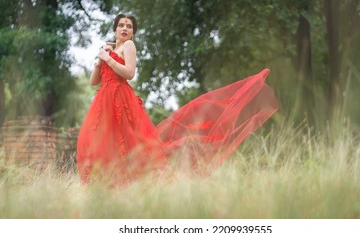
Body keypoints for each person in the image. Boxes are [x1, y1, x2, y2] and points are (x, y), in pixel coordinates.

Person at [77, 13, 279, 184]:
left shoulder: (129, 46)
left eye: (129, 26)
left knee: (128, 143)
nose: (124, 28)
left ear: (133, 32)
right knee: (104, 141)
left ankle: (132, 181)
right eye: (121, 25)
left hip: (121, 99)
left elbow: (129, 73)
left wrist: (109, 59)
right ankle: (110, 181)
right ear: (114, 29)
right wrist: (100, 58)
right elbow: (93, 82)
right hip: (104, 101)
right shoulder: (110, 50)